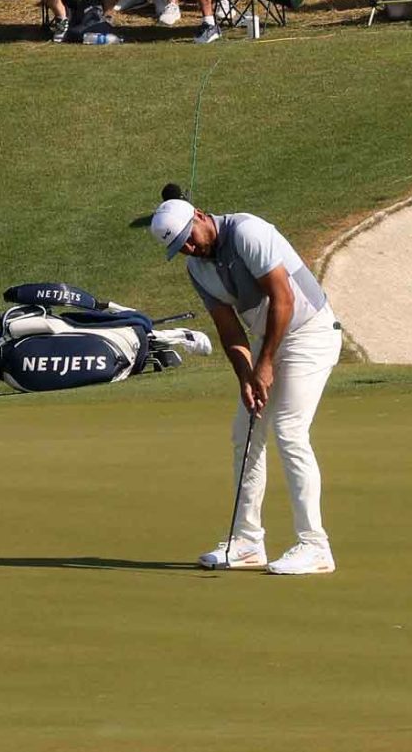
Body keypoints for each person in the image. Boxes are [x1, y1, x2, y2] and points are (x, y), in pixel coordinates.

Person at [147, 192, 344, 577]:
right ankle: (247, 543)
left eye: (189, 238)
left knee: (288, 429)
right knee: (246, 433)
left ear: (200, 216)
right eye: (180, 247)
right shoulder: (197, 269)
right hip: (267, 338)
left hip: (310, 332)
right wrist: (246, 378)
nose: (189, 248)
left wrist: (264, 364)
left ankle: (315, 546)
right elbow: (229, 330)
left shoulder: (248, 232)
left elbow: (283, 299)